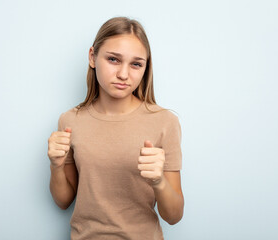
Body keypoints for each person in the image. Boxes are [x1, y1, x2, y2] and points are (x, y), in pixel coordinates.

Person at [47, 16, 184, 240]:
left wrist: (158, 181)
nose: (123, 74)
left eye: (136, 64)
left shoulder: (165, 122)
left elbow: (174, 215)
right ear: (93, 57)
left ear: (145, 68)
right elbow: (63, 201)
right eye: (113, 59)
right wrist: (55, 166)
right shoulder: (70, 120)